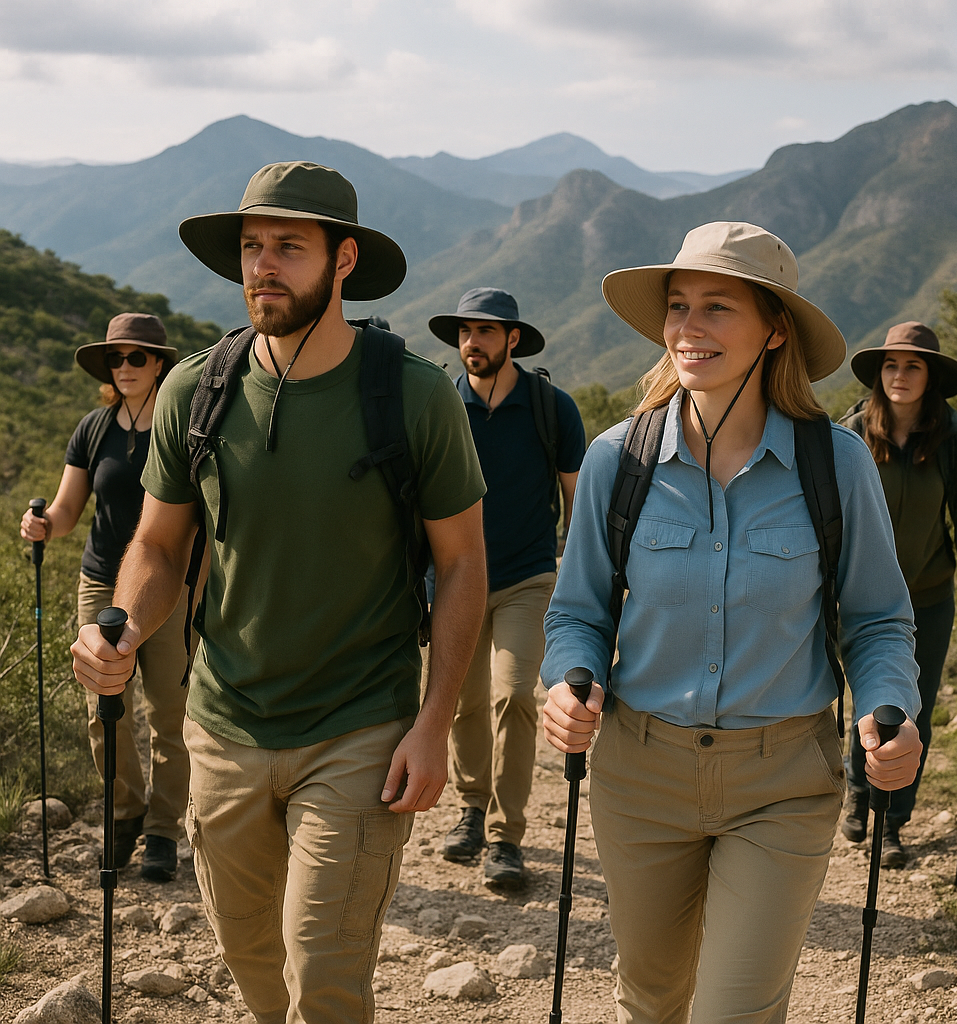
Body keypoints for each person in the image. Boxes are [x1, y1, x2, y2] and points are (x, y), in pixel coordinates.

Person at [70, 161, 488, 1024]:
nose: (262, 266)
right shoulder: (197, 387)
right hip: (223, 724)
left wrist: (433, 723)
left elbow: (461, 565)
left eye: (288, 248)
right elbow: (156, 541)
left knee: (325, 976)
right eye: (252, 247)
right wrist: (123, 627)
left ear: (343, 261)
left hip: (360, 726)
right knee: (253, 961)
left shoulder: (410, 396)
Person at [540, 221, 923, 1024]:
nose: (689, 327)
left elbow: (880, 620)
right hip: (638, 778)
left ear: (774, 329)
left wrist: (892, 710)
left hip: (780, 783)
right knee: (652, 996)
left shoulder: (835, 462)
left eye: (719, 306)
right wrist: (568, 682)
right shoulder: (619, 459)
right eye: (680, 306)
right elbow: (577, 611)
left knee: (735, 1011)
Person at [20, 312, 188, 882]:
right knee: (104, 710)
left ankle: (164, 831)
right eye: (115, 358)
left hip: (168, 585)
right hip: (100, 582)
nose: (124, 367)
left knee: (168, 710)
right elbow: (68, 512)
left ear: (159, 363)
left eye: (136, 357)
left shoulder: (183, 423)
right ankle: (125, 813)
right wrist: (43, 525)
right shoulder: (93, 428)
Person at [428, 288, 586, 888]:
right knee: (463, 702)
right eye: (465, 332)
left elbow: (577, 498)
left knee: (515, 695)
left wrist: (583, 576)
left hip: (527, 576)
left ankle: (506, 836)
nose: (472, 343)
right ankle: (470, 808)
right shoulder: (441, 404)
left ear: (512, 340)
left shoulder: (552, 408)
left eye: (486, 332)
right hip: (450, 578)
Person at [839, 321, 957, 868]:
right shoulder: (854, 430)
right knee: (865, 703)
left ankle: (892, 820)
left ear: (930, 377)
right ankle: (860, 789)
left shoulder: (952, 435)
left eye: (912, 366)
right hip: (855, 595)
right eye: (891, 365)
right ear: (878, 374)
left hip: (927, 597)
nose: (899, 375)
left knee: (914, 711)